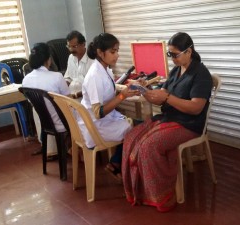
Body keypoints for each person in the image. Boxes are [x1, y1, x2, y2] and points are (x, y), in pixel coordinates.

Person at [121, 32, 213, 212]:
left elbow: (196, 108)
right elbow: (161, 96)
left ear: (189, 51)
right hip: (169, 118)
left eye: (175, 54)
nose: (172, 59)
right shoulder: (176, 71)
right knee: (131, 137)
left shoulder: (201, 74)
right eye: (169, 54)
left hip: (189, 124)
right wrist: (145, 90)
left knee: (149, 145)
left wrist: (167, 97)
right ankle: (139, 191)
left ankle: (162, 196)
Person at [81, 33, 139, 181]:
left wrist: (126, 88)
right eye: (113, 52)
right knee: (136, 129)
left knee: (135, 125)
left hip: (103, 121)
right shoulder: (95, 76)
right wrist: (122, 96)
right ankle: (120, 165)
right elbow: (98, 113)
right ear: (100, 53)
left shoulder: (104, 69)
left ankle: (115, 162)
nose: (117, 55)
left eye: (117, 51)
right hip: (96, 126)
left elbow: (109, 88)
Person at [22, 43, 71, 158]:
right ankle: (76, 148)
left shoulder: (26, 80)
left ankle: (66, 148)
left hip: (45, 124)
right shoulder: (57, 76)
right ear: (48, 59)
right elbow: (69, 102)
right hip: (62, 123)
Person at [64, 30, 94, 99]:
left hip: (87, 97)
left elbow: (93, 87)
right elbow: (68, 77)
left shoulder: (92, 60)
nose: (71, 49)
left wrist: (75, 95)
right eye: (69, 46)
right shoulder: (71, 57)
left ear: (83, 44)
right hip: (72, 97)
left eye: (74, 46)